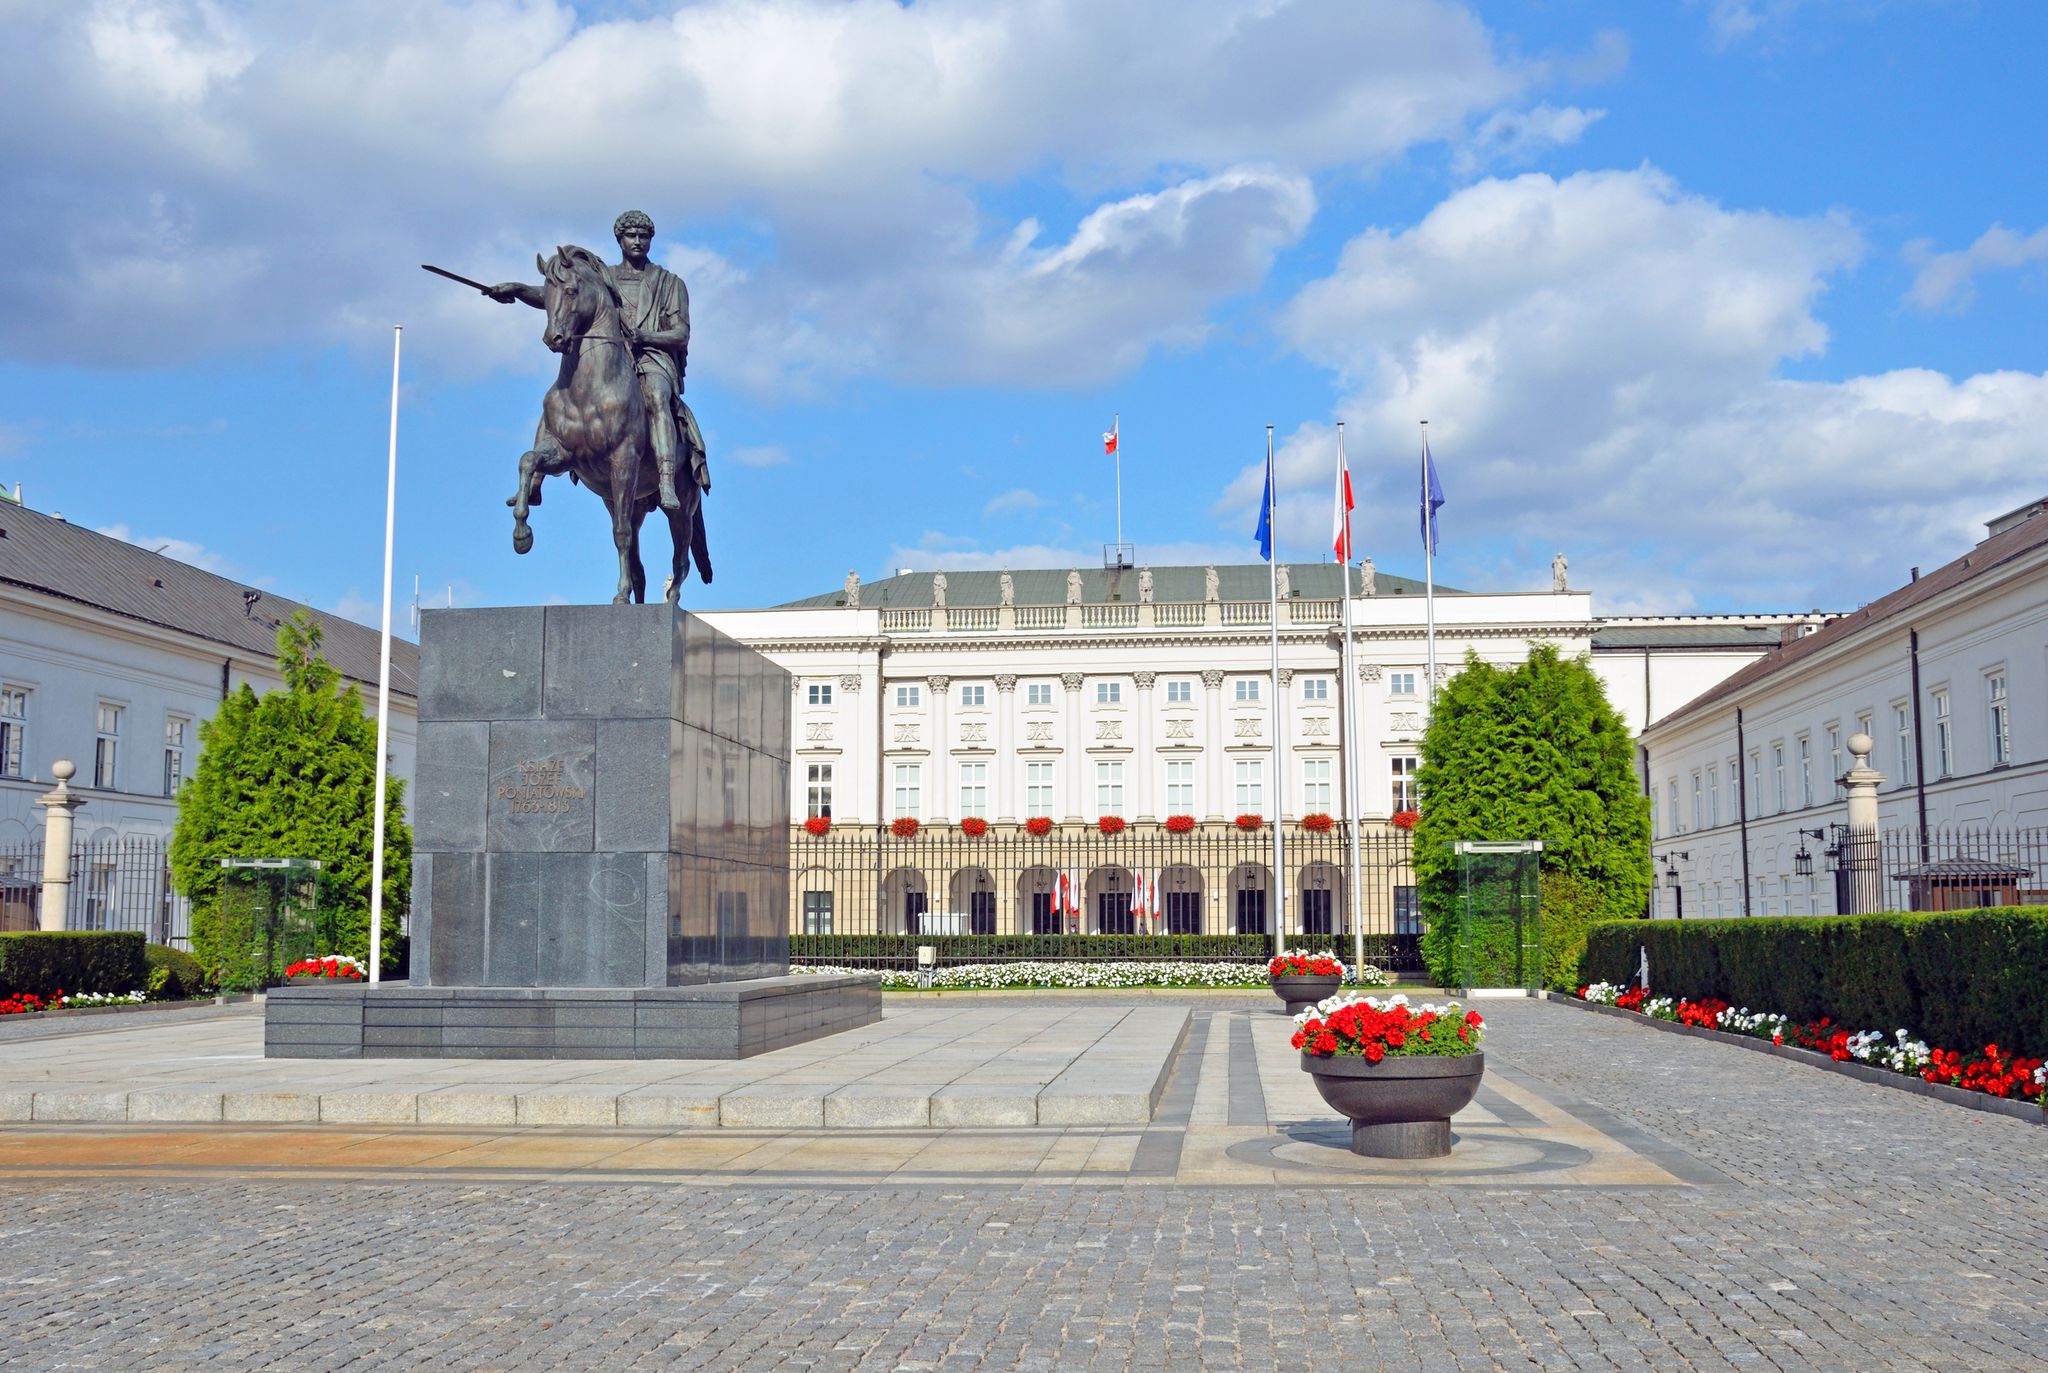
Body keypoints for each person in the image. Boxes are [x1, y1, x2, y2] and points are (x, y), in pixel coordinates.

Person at [488, 210, 696, 513]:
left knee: (656, 394)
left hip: (651, 358)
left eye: (644, 236)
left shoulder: (669, 283)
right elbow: (560, 295)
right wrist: (517, 290)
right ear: (619, 239)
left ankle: (665, 479)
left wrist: (646, 337)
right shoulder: (602, 278)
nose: (637, 241)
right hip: (609, 359)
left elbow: (680, 334)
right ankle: (534, 485)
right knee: (558, 396)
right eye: (631, 235)